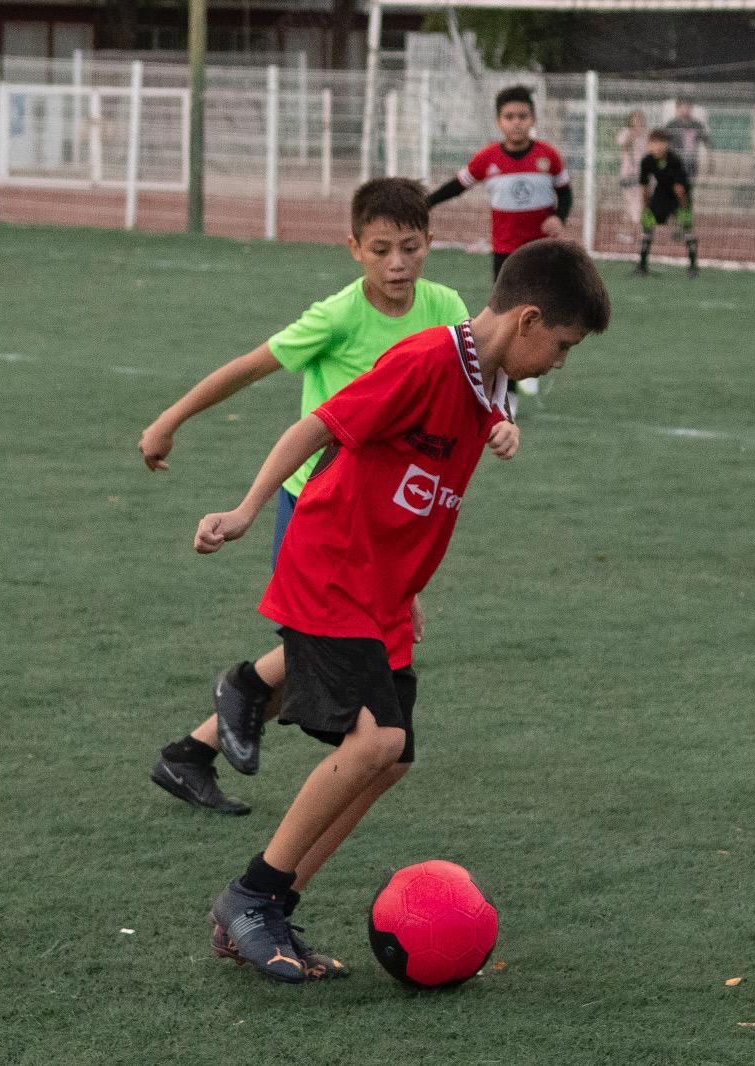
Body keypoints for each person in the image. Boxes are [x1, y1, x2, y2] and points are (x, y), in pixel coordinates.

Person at [197, 239, 610, 983]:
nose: (560, 362)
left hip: (382, 595)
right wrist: (248, 507)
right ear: (528, 319)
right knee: (377, 741)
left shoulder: (489, 388)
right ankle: (249, 898)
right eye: (563, 345)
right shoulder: (428, 360)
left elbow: (416, 494)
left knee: (393, 761)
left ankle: (272, 900)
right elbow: (316, 426)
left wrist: (409, 592)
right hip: (331, 569)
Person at [140, 178, 474, 816]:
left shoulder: (446, 306)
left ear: (431, 241)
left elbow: (475, 383)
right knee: (331, 647)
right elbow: (249, 366)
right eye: (381, 250)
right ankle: (234, 694)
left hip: (385, 518)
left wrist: (504, 418)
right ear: (353, 248)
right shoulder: (339, 315)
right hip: (317, 505)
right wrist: (169, 419)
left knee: (332, 650)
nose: (398, 263)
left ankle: (190, 753)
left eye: (411, 246)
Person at [427, 85, 573, 404]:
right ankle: (509, 384)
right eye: (509, 117)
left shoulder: (548, 157)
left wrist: (559, 217)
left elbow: (565, 192)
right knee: (508, 316)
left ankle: (536, 365)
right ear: (499, 122)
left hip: (542, 251)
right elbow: (458, 185)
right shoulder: (487, 159)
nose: (516, 122)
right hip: (505, 253)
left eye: (523, 116)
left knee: (542, 312)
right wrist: (426, 203)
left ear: (532, 118)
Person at [634, 129, 699, 278]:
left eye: (662, 143)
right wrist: (646, 207)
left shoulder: (674, 160)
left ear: (667, 145)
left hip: (679, 197)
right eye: (654, 143)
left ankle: (693, 266)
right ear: (649, 145)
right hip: (661, 193)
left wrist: (683, 209)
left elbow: (679, 189)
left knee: (686, 228)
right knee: (648, 223)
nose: (658, 147)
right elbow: (644, 186)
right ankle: (642, 265)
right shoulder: (647, 161)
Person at [615, 109, 649, 237]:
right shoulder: (626, 132)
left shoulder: (646, 135)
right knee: (630, 203)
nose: (638, 121)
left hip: (642, 173)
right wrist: (633, 135)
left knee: (642, 202)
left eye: (640, 118)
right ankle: (626, 231)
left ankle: (641, 231)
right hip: (628, 173)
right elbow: (623, 146)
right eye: (635, 118)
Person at [663, 99, 711, 184]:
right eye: (683, 107)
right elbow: (663, 142)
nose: (686, 110)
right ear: (678, 109)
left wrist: (709, 160)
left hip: (691, 161)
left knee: (689, 185)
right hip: (675, 161)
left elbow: (706, 141)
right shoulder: (672, 125)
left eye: (688, 107)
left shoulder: (697, 125)